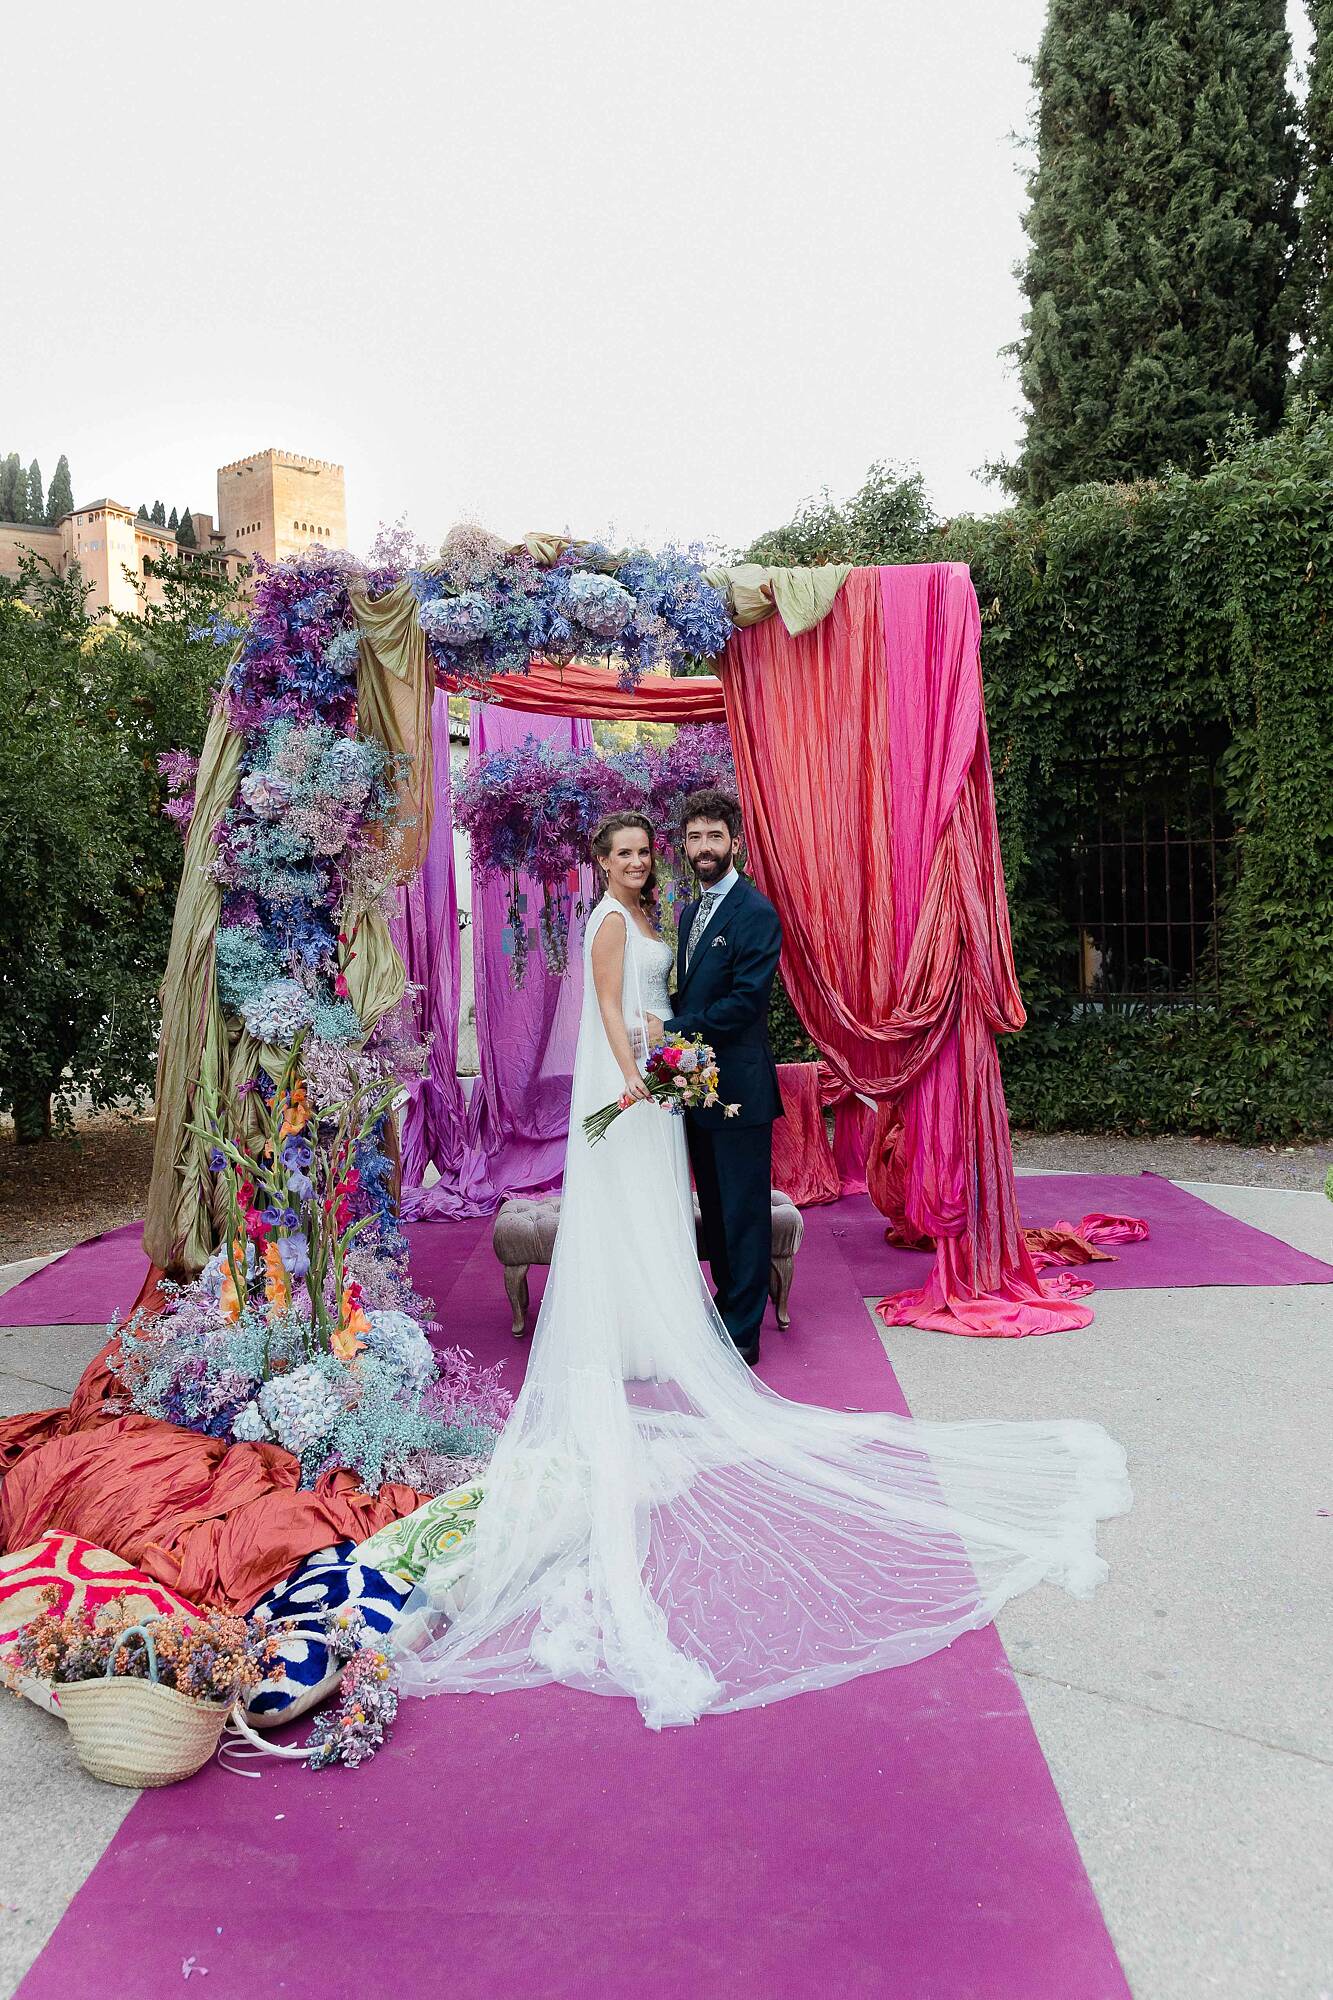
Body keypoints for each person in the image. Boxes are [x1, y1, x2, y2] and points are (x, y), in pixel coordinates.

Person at [393, 811, 1131, 1730]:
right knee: (678, 1216)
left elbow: (730, 1000)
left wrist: (672, 1049)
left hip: (702, 1082)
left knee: (726, 1219)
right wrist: (649, 1070)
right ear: (613, 862)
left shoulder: (738, 910)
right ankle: (662, 1324)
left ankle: (726, 1332)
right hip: (660, 1089)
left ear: (723, 844)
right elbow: (622, 1012)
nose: (652, 857)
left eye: (656, 848)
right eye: (635, 850)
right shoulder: (633, 919)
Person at [646, 790, 782, 1366]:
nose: (704, 847)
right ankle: (728, 1305)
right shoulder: (689, 909)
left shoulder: (754, 913)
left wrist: (674, 1026)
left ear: (735, 843)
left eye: (715, 836)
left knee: (744, 1212)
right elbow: (698, 987)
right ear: (684, 845)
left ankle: (744, 1331)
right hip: (697, 1087)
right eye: (695, 837)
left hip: (739, 1093)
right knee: (717, 1210)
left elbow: (745, 1003)